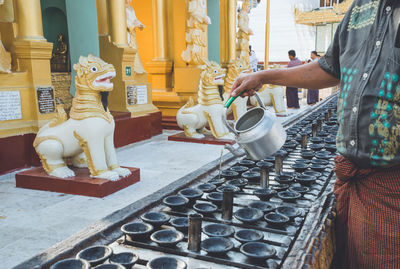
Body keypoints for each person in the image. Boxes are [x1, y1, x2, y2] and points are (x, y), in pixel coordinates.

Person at [230, 1, 400, 268]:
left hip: (392, 186)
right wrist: (264, 76)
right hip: (351, 174)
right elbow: (329, 69)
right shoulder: (359, 10)